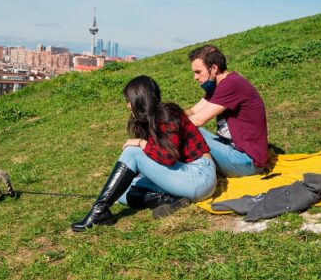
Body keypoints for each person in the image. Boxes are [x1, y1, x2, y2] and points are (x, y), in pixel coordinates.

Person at [71, 75, 217, 232]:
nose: (128, 106)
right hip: (185, 176)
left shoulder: (168, 115)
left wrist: (141, 143)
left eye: (129, 101)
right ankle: (171, 200)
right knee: (122, 193)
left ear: (139, 100)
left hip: (200, 175)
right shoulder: (151, 118)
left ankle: (99, 212)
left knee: (132, 152)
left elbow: (168, 157)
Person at [184, 45, 269, 178]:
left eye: (198, 72)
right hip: (234, 151)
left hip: (248, 161)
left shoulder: (231, 84)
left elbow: (197, 120)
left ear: (214, 68)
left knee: (188, 132)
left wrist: (160, 128)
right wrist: (166, 115)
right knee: (188, 131)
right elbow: (193, 112)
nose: (195, 77)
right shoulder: (218, 86)